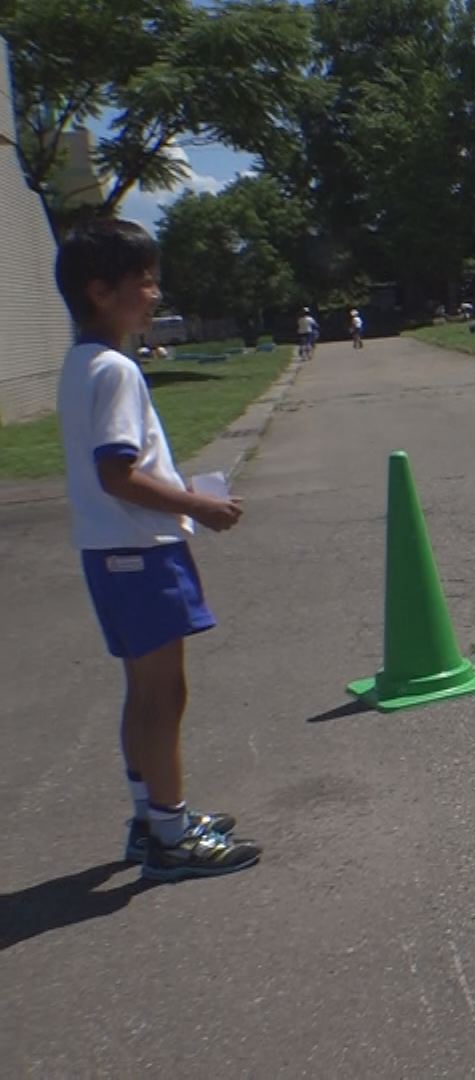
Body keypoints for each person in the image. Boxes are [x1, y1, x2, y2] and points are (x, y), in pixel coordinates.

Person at [53, 219, 260, 881]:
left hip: (112, 550)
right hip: (138, 551)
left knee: (144, 693)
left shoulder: (81, 362)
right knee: (162, 695)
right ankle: (170, 835)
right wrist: (198, 505)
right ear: (100, 290)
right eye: (142, 281)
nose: (154, 292)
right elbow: (119, 471)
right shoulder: (114, 370)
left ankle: (153, 818)